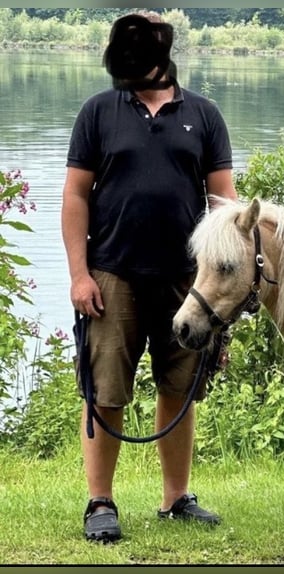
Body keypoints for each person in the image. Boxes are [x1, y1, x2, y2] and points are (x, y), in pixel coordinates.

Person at [61, 11, 238, 543]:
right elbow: (74, 197)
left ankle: (175, 498)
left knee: (180, 387)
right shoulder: (98, 111)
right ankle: (100, 503)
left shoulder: (204, 115)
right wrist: (78, 274)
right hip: (110, 274)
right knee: (105, 390)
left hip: (188, 282)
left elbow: (224, 203)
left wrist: (221, 289)